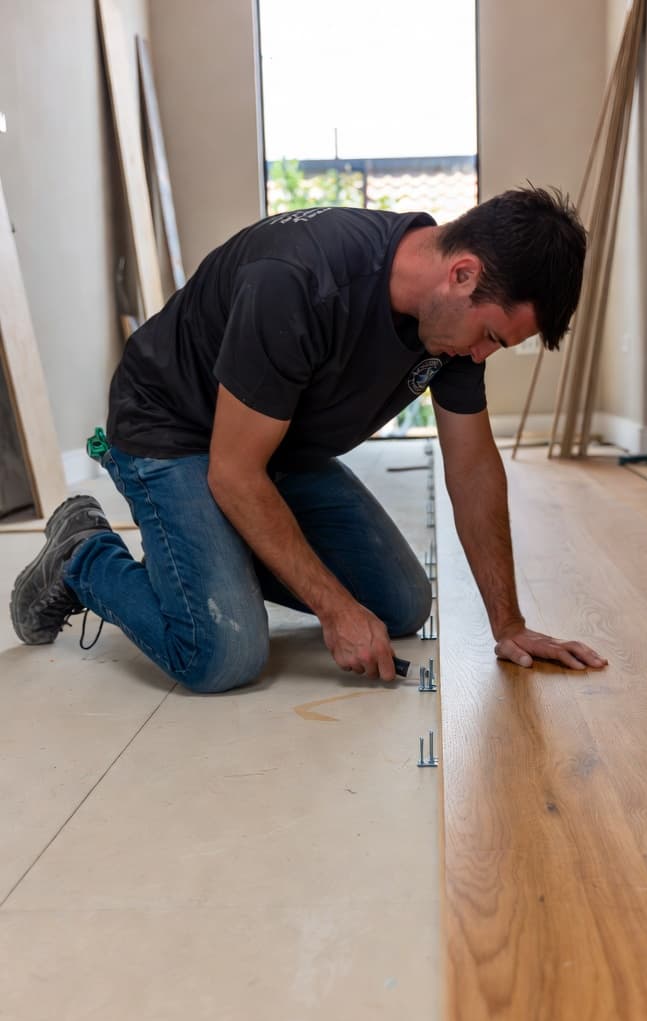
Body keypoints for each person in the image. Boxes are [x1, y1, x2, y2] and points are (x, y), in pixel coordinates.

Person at [10, 185, 607, 691]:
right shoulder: (299, 281)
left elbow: (473, 469)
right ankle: (82, 556)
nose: (480, 355)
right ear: (463, 273)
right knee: (223, 653)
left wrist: (509, 623)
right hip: (172, 429)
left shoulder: (450, 322)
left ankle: (212, 555)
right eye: (491, 337)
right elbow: (233, 473)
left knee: (401, 604)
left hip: (275, 444)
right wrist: (334, 608)